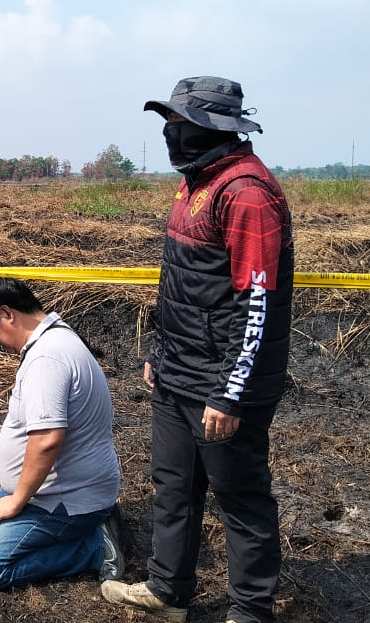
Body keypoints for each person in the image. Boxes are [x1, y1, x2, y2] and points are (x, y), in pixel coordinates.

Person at [101, 77, 293, 623]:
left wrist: (230, 395)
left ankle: (251, 610)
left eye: (181, 124)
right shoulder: (195, 183)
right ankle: (167, 593)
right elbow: (184, 285)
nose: (171, 133)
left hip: (223, 384)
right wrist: (160, 354)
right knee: (173, 490)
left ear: (214, 128)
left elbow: (255, 304)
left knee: (241, 499)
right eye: (169, 123)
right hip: (177, 375)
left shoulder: (247, 193)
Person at [0, 278, 124, 590]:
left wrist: (16, 500)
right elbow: (30, 430)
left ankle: (95, 548)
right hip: (62, 491)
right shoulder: (54, 341)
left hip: (67, 500)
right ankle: (88, 526)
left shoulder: (47, 359)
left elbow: (48, 439)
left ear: (7, 314)